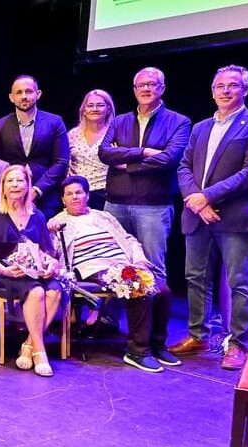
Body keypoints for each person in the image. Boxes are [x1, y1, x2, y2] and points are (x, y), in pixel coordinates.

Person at [170, 64, 248, 371]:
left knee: (239, 281)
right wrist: (197, 201)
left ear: (245, 89)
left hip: (234, 217)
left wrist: (209, 196)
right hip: (197, 215)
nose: (225, 91)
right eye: (219, 86)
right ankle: (197, 335)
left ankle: (238, 344)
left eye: (232, 86)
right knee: (195, 278)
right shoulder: (201, 127)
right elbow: (183, 167)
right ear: (212, 90)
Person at [48, 176, 175, 373]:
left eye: (79, 192)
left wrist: (139, 260)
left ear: (87, 195)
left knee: (162, 290)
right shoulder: (57, 223)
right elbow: (52, 253)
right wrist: (52, 233)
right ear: (63, 199)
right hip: (92, 267)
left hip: (124, 263)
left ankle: (157, 345)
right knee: (135, 286)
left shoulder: (103, 216)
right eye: (69, 194)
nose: (75, 197)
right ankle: (137, 351)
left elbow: (128, 239)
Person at [98, 67, 191, 284]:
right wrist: (143, 152)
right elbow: (104, 152)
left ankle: (155, 319)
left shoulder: (179, 122)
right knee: (112, 265)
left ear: (162, 88)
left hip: (154, 207)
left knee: (152, 267)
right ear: (134, 89)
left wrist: (126, 164)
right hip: (115, 204)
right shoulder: (119, 121)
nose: (146, 89)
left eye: (152, 84)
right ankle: (109, 319)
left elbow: (169, 158)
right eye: (141, 85)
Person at [0, 164, 63, 377]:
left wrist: (50, 265)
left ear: (27, 185)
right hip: (1, 273)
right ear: (3, 186)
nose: (15, 185)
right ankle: (41, 352)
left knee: (55, 289)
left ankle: (28, 345)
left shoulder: (38, 215)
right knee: (36, 291)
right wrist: (3, 269)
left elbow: (48, 252)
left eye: (19, 181)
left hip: (32, 272)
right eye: (10, 181)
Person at [0, 76, 70, 218]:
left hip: (46, 198)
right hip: (10, 199)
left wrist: (36, 190)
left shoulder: (55, 122)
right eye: (19, 92)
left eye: (29, 91)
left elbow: (61, 162)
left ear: (38, 94)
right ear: (11, 97)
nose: (24, 96)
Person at [67, 90, 114, 210]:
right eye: (90, 105)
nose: (95, 109)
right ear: (84, 110)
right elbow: (64, 163)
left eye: (100, 105)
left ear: (108, 109)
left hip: (106, 194)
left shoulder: (115, 133)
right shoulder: (72, 134)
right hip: (77, 194)